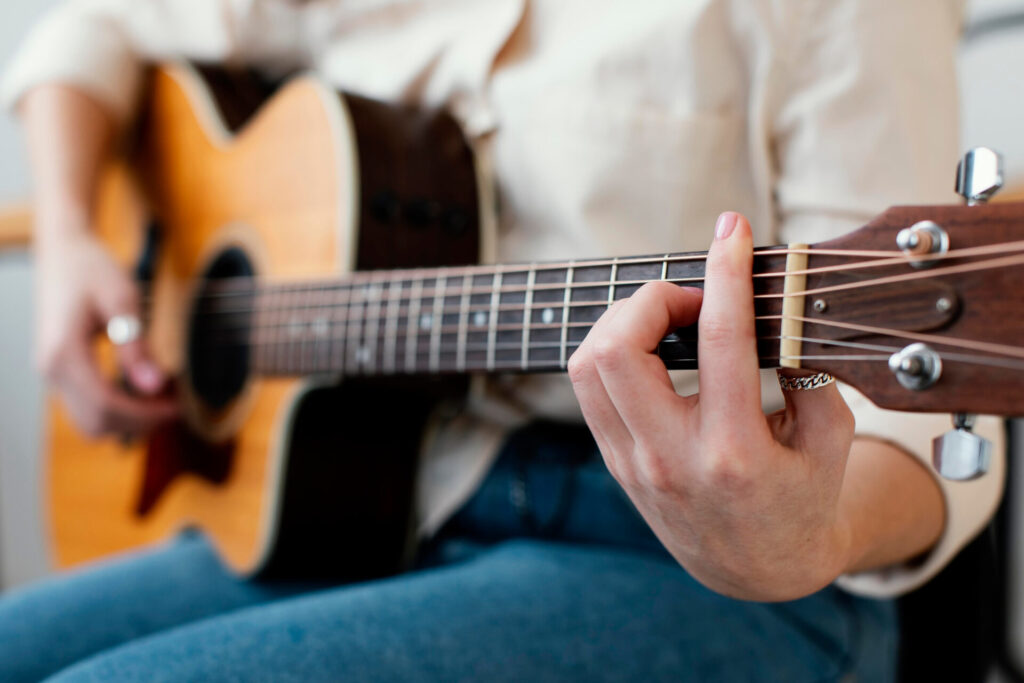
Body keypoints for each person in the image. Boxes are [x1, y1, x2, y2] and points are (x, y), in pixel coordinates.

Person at [0, 0, 1006, 680]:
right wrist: (75, 233)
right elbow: (99, 26)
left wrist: (804, 537)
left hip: (675, 551)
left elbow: (921, 428)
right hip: (360, 503)